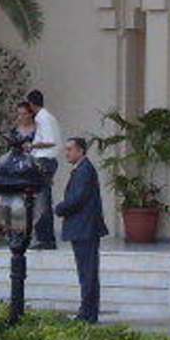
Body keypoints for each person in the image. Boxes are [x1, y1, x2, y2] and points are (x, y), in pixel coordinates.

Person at [54, 135, 108, 323]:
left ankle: (88, 313)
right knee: (86, 272)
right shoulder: (82, 169)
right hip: (82, 228)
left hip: (85, 229)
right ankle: (87, 311)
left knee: (88, 273)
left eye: (70, 149)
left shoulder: (84, 170)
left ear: (80, 150)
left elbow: (78, 198)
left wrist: (60, 208)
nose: (67, 153)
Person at [26, 89, 62, 249]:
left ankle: (45, 238)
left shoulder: (42, 118)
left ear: (31, 104)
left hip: (44, 160)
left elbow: (50, 141)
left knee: (42, 201)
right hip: (46, 161)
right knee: (43, 199)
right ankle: (46, 237)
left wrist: (32, 146)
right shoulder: (48, 117)